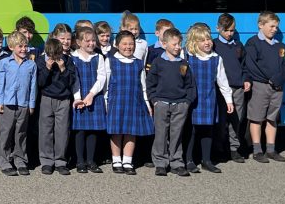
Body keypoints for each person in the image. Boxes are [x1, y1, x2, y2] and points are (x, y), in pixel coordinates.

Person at [145, 27, 196, 178]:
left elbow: (190, 85)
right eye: (174, 44)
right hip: (161, 103)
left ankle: (177, 162)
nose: (177, 47)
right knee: (161, 134)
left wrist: (187, 101)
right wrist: (154, 99)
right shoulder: (158, 62)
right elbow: (150, 83)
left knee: (176, 134)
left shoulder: (183, 63)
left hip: (180, 104)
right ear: (164, 44)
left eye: (179, 44)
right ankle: (160, 163)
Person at [184, 22, 234, 174]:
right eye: (202, 40)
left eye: (208, 39)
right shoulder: (187, 57)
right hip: (192, 99)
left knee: (207, 129)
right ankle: (189, 159)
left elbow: (222, 80)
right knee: (191, 130)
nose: (207, 43)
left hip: (209, 98)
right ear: (194, 42)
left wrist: (229, 100)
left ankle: (207, 160)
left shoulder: (216, 58)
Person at [244, 11, 285, 163]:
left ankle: (271, 149)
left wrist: (278, 79)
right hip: (260, 86)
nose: (274, 30)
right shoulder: (253, 43)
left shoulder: (280, 45)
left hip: (277, 87)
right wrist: (269, 79)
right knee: (256, 118)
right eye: (271, 26)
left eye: (276, 27)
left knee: (272, 119)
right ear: (261, 25)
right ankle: (257, 150)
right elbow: (251, 65)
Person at [104, 30, 152, 175]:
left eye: (131, 44)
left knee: (132, 131)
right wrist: (106, 102)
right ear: (117, 45)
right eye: (124, 44)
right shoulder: (111, 60)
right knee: (116, 131)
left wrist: (147, 104)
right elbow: (106, 85)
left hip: (134, 101)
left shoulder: (138, 63)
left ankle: (128, 160)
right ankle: (116, 159)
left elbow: (143, 86)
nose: (128, 47)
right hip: (116, 101)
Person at [0, 32, 36, 176]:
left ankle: (20, 160)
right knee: (6, 133)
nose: (24, 49)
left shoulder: (31, 65)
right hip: (8, 103)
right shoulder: (5, 62)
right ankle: (5, 161)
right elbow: (0, 84)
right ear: (11, 47)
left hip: (23, 103)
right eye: (20, 46)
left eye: (25, 46)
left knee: (21, 134)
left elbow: (33, 86)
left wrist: (31, 104)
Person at [70, 27, 108, 173]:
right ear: (79, 42)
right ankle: (80, 161)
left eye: (93, 40)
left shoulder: (98, 57)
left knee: (93, 130)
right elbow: (75, 80)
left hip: (94, 97)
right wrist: (78, 98)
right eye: (88, 41)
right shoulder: (73, 58)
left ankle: (91, 161)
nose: (91, 43)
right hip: (78, 98)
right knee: (80, 130)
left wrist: (91, 95)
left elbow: (101, 78)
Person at [36, 38, 76, 175]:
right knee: (45, 131)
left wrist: (63, 68)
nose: (55, 58)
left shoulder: (67, 60)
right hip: (47, 98)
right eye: (52, 55)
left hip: (63, 99)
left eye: (57, 55)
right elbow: (40, 82)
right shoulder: (41, 61)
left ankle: (61, 161)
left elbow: (71, 81)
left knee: (62, 131)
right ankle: (47, 161)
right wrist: (47, 68)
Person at [214, 13, 247, 162]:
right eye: (226, 30)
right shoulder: (214, 45)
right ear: (218, 28)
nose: (229, 33)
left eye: (232, 30)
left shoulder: (238, 45)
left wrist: (246, 79)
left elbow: (245, 65)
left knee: (237, 119)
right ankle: (219, 147)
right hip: (221, 89)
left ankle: (234, 148)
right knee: (221, 119)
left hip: (238, 87)